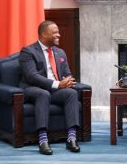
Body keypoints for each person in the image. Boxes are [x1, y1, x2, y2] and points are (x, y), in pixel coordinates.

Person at [19, 20, 80, 155]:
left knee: (71, 93)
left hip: (55, 90)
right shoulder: (28, 52)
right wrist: (58, 84)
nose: (59, 35)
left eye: (58, 32)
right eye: (55, 33)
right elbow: (32, 77)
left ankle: (71, 138)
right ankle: (43, 139)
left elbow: (67, 74)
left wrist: (68, 81)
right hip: (32, 89)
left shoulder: (60, 53)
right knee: (43, 94)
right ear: (44, 35)